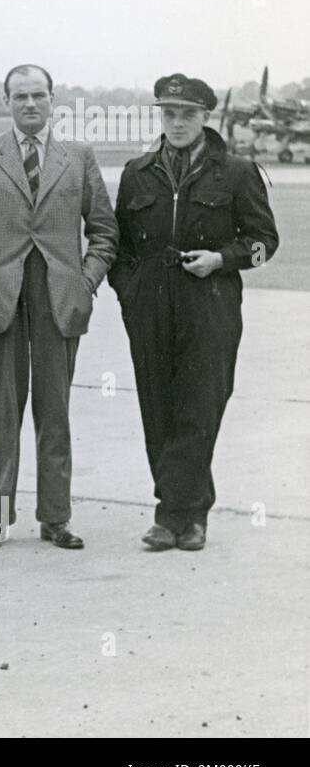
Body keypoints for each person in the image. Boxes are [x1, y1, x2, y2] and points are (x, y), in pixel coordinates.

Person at [108, 73, 278, 551]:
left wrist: (222, 259)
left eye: (187, 114)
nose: (178, 123)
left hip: (211, 304)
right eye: (169, 114)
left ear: (205, 117)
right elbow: (120, 244)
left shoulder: (238, 172)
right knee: (157, 406)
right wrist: (129, 291)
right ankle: (185, 514)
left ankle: (176, 517)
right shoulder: (137, 172)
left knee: (200, 407)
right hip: (149, 304)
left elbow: (265, 243)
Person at [0, 64, 118, 549]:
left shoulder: (79, 156)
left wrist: (85, 281)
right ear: (5, 101)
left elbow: (104, 231)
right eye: (20, 96)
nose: (30, 104)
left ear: (53, 99)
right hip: (3, 298)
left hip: (60, 298)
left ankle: (55, 517)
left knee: (55, 411)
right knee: (3, 413)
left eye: (38, 95)